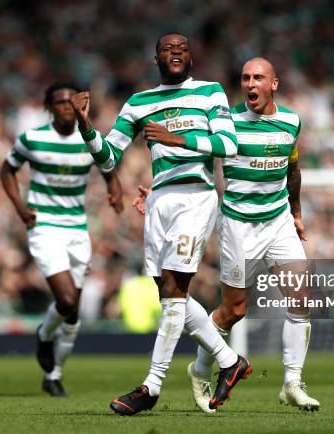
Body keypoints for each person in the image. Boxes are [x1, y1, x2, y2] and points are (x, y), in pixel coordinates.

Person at [72, 32, 251, 415]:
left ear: (191, 58)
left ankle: (151, 387)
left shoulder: (210, 93)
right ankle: (230, 361)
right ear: (156, 59)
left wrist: (178, 138)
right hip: (159, 200)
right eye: (168, 49)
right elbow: (108, 158)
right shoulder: (139, 103)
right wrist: (87, 128)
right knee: (170, 295)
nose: (176, 52)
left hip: (196, 198)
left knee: (173, 291)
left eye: (183, 48)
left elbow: (229, 143)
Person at [135, 57, 320, 412]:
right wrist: (161, 191)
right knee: (233, 311)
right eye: (245, 78)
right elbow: (194, 156)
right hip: (237, 224)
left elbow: (292, 169)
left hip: (278, 220)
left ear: (274, 84)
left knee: (301, 299)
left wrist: (296, 212)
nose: (250, 84)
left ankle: (292, 382)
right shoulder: (227, 121)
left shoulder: (291, 122)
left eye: (258, 78)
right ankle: (200, 370)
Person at [0, 82, 123, 397]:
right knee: (67, 300)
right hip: (44, 227)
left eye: (72, 101)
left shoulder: (89, 139)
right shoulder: (33, 139)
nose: (67, 106)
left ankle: (53, 375)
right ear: (48, 107)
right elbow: (7, 170)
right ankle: (43, 333)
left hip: (77, 230)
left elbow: (108, 166)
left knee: (73, 315)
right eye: (60, 102)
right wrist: (19, 206)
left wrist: (114, 188)